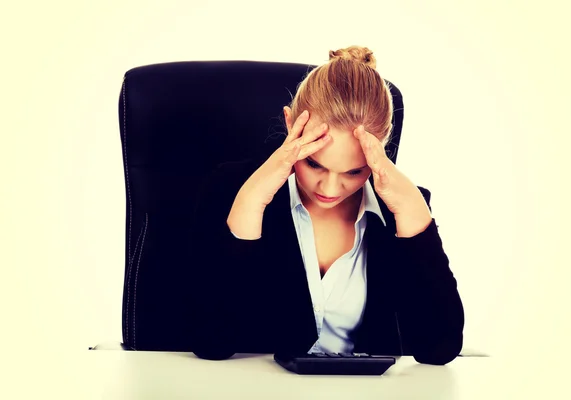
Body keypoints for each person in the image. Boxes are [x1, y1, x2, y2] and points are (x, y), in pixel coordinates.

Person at [189, 46, 464, 365]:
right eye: (315, 164)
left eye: (354, 171)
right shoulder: (229, 190)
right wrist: (252, 204)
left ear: (382, 144)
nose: (331, 188)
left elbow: (438, 349)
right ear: (290, 123)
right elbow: (211, 342)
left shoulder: (402, 210)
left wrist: (414, 216)